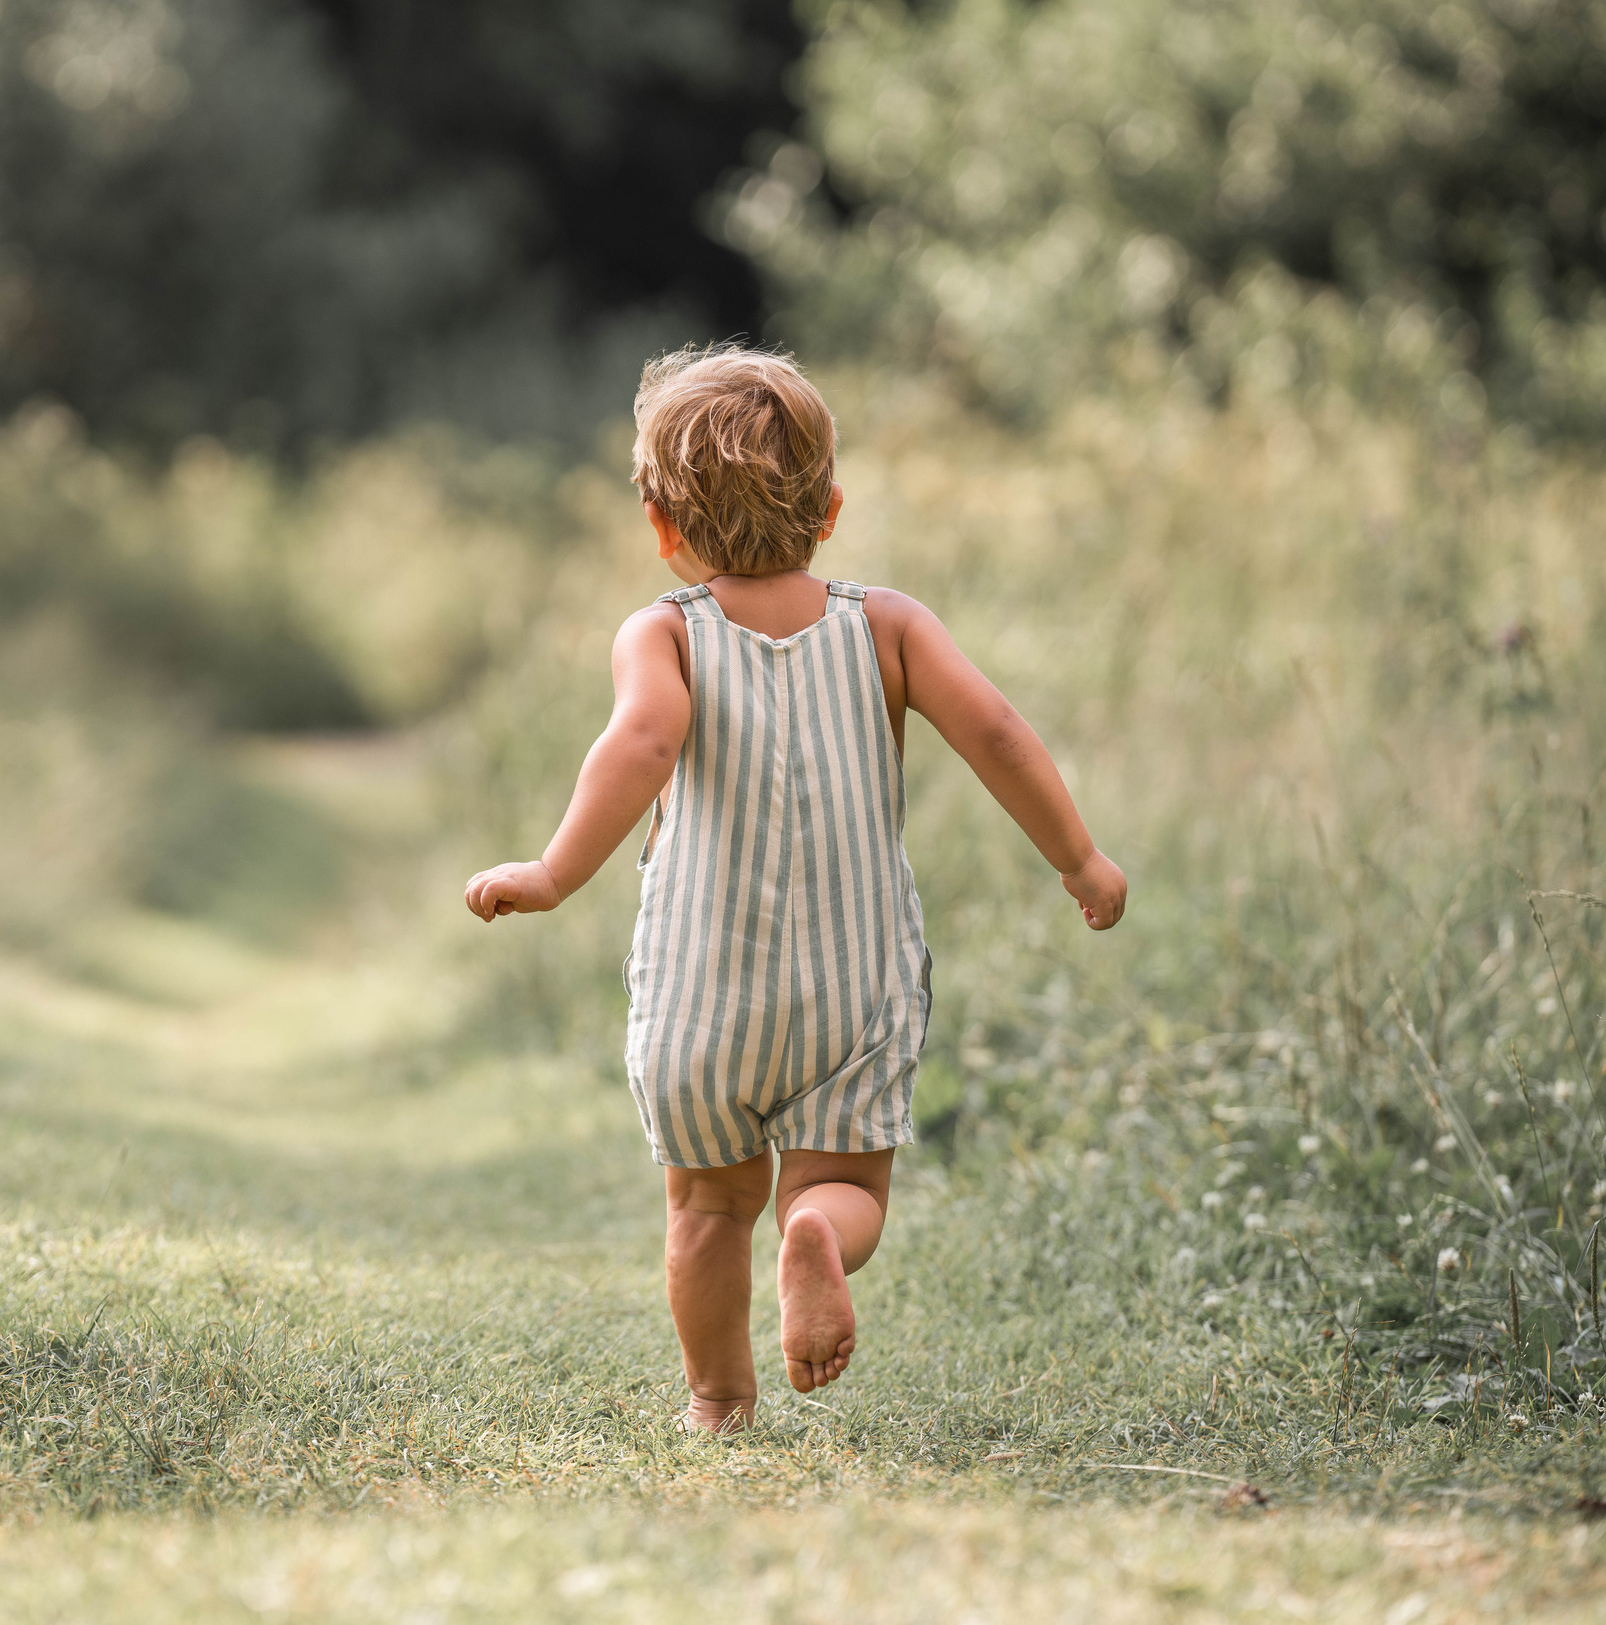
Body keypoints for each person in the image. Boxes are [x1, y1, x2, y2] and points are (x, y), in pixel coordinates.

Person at [463, 346, 1126, 1433]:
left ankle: (719, 1400)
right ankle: (814, 1232)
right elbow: (998, 733)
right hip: (849, 984)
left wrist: (552, 871)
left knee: (708, 1206)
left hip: (702, 990)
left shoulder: (664, 631)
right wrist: (1079, 858)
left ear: (661, 525)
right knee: (846, 1187)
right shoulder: (888, 625)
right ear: (829, 508)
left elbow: (640, 742)